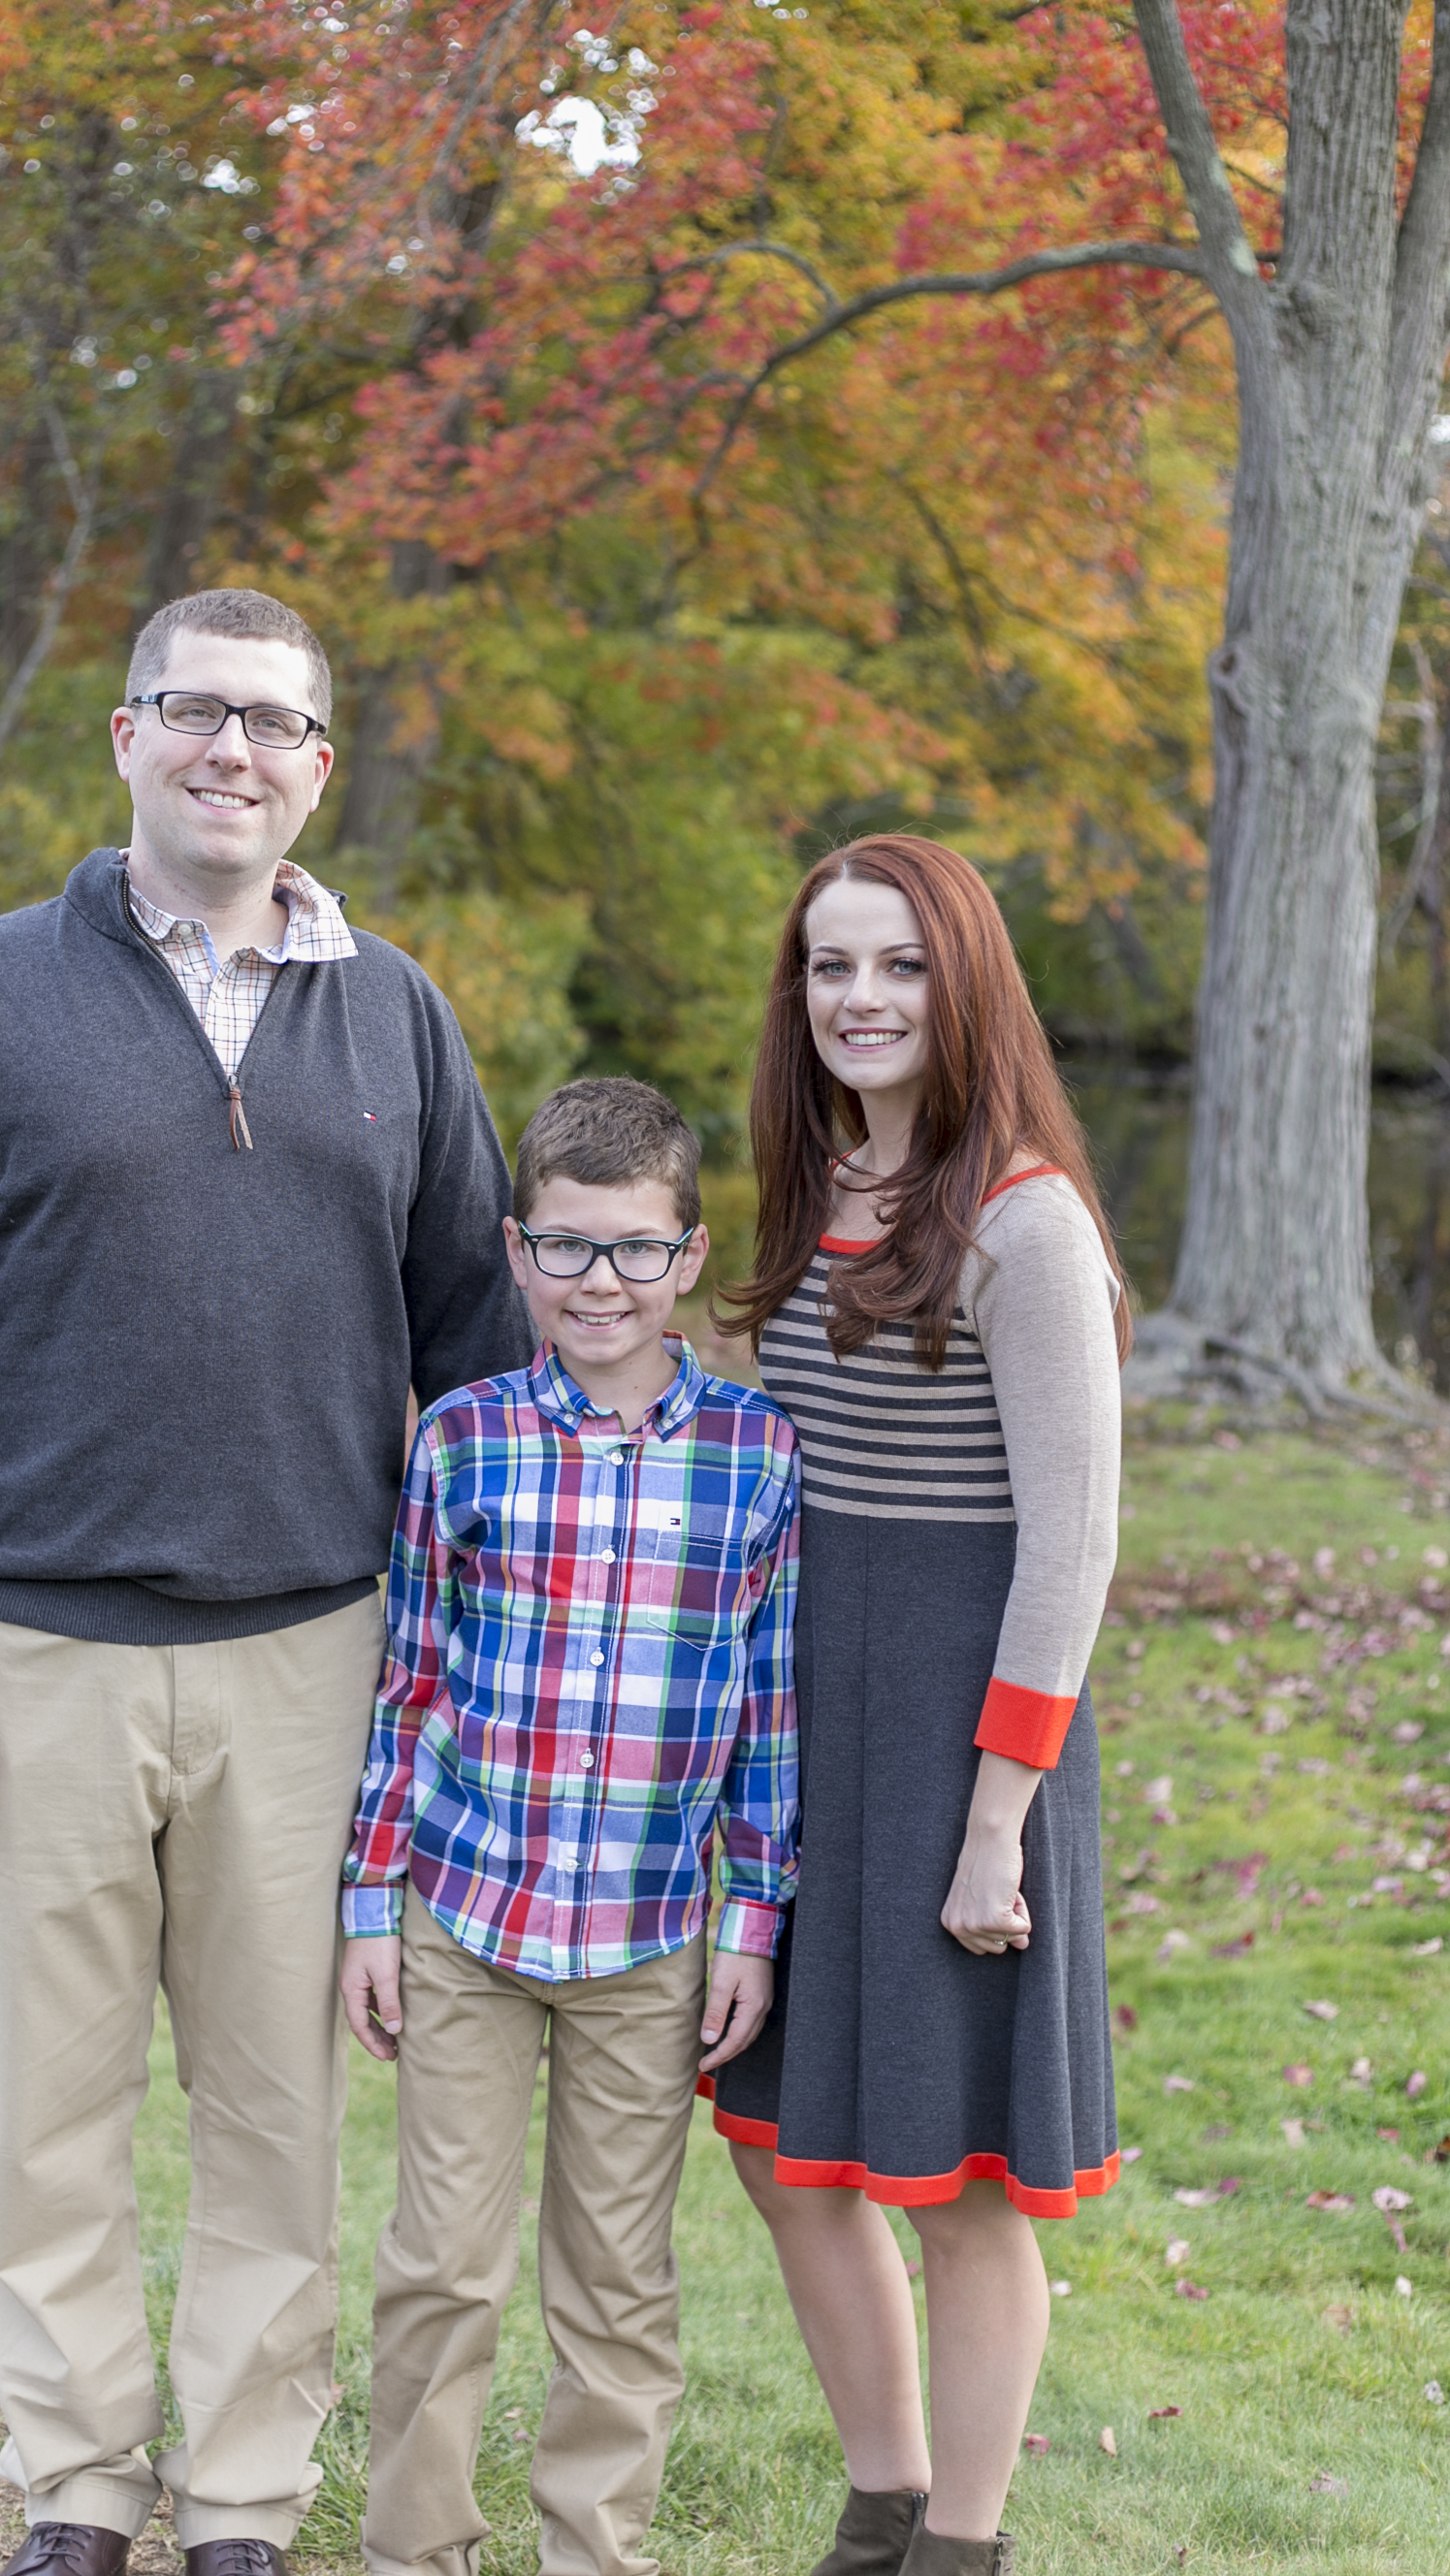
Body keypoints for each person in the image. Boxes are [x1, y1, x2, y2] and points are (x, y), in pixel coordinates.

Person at [0, 587, 532, 2576]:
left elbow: (471, 1337)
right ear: (125, 737)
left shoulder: (393, 1014)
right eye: (197, 713)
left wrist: (473, 1643)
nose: (234, 751)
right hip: (29, 1646)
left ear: (317, 765)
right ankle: (75, 2488)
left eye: (274, 724)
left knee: (274, 2118)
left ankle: (234, 2498)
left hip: (318, 1653)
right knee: (44, 2119)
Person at [710, 837, 1128, 2576]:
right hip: (820, 1717)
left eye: (900, 968)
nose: (861, 1001)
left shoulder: (1023, 1219)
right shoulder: (817, 1191)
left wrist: (992, 1826)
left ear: (967, 990)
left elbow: (1076, 1544)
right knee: (781, 2144)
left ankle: (961, 2544)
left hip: (970, 1737)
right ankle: (879, 2503)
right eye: (829, 967)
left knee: (956, 2185)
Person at [336, 1077, 800, 2576]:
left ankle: (595, 2550)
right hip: (466, 1916)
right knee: (440, 2268)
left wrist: (753, 1919)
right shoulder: (462, 1440)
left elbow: (767, 1713)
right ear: (518, 1253)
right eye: (569, 1248)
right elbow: (406, 1686)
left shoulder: (757, 1454)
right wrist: (368, 1905)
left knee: (618, 2280)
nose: (603, 1283)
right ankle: (418, 2548)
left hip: (653, 1936)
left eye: (637, 1251)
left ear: (689, 1256)